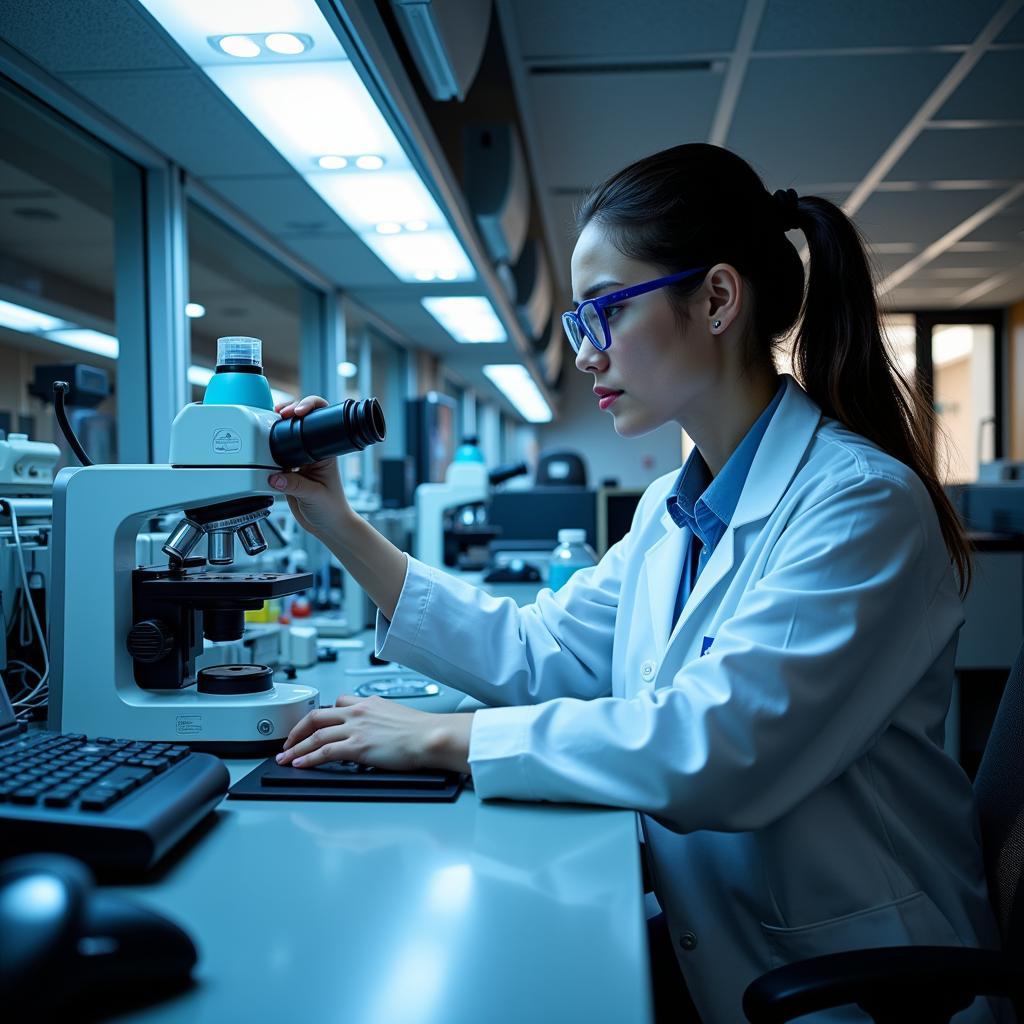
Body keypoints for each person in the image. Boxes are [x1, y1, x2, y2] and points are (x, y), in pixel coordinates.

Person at [267, 144, 1005, 1024]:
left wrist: (445, 740)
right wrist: (339, 526)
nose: (586, 353)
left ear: (718, 300)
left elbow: (720, 746)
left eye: (603, 314)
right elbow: (543, 651)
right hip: (724, 936)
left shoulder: (859, 506)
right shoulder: (672, 506)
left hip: (858, 978)